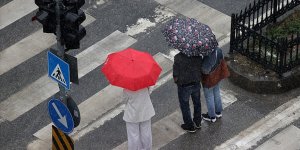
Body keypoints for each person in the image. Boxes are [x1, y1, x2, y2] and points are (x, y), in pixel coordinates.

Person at [173, 52, 203, 133]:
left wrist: (177, 81)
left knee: (185, 106)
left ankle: (190, 126)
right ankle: (198, 122)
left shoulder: (178, 57)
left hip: (184, 86)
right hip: (196, 83)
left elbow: (175, 74)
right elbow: (201, 69)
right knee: (197, 103)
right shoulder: (198, 55)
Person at [201, 47, 224, 122]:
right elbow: (221, 60)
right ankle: (218, 112)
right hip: (216, 76)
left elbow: (205, 70)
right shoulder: (218, 50)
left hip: (208, 80)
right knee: (216, 93)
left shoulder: (208, 56)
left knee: (209, 97)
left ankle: (211, 116)